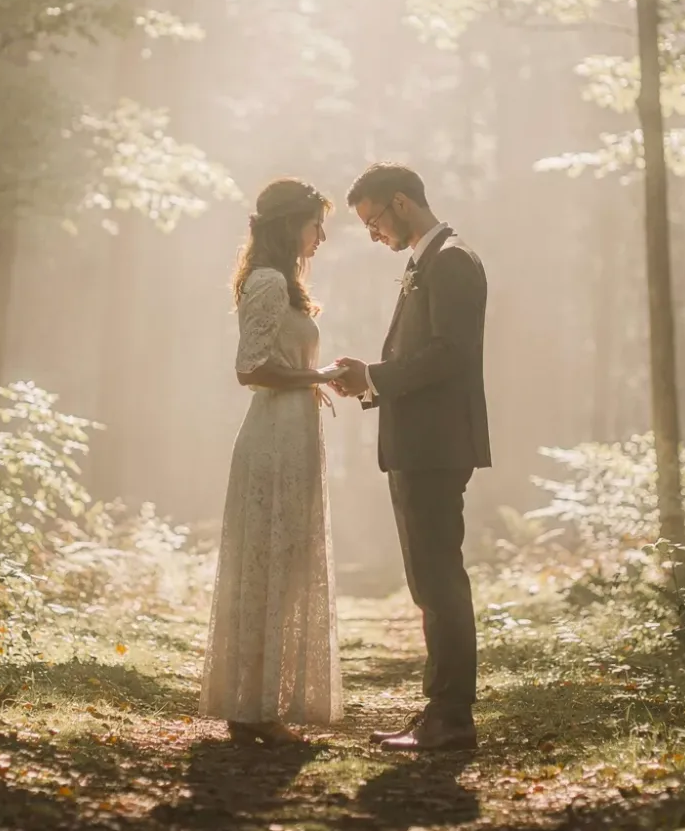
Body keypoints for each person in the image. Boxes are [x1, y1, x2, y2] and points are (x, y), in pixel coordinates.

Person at [331, 162, 490, 753]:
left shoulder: (452, 261)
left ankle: (452, 718)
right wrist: (371, 382)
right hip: (421, 443)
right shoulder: (428, 261)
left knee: (439, 579)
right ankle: (441, 711)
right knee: (429, 580)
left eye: (373, 222)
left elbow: (450, 354)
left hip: (437, 446)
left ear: (400, 203)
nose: (374, 236)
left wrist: (375, 375)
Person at [198, 178, 348, 745]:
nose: (322, 236)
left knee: (286, 566)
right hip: (273, 435)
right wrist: (321, 376)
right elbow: (250, 368)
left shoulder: (284, 285)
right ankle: (252, 708)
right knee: (266, 564)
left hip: (297, 433)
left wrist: (316, 378)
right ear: (291, 224)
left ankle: (263, 704)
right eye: (316, 223)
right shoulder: (264, 283)